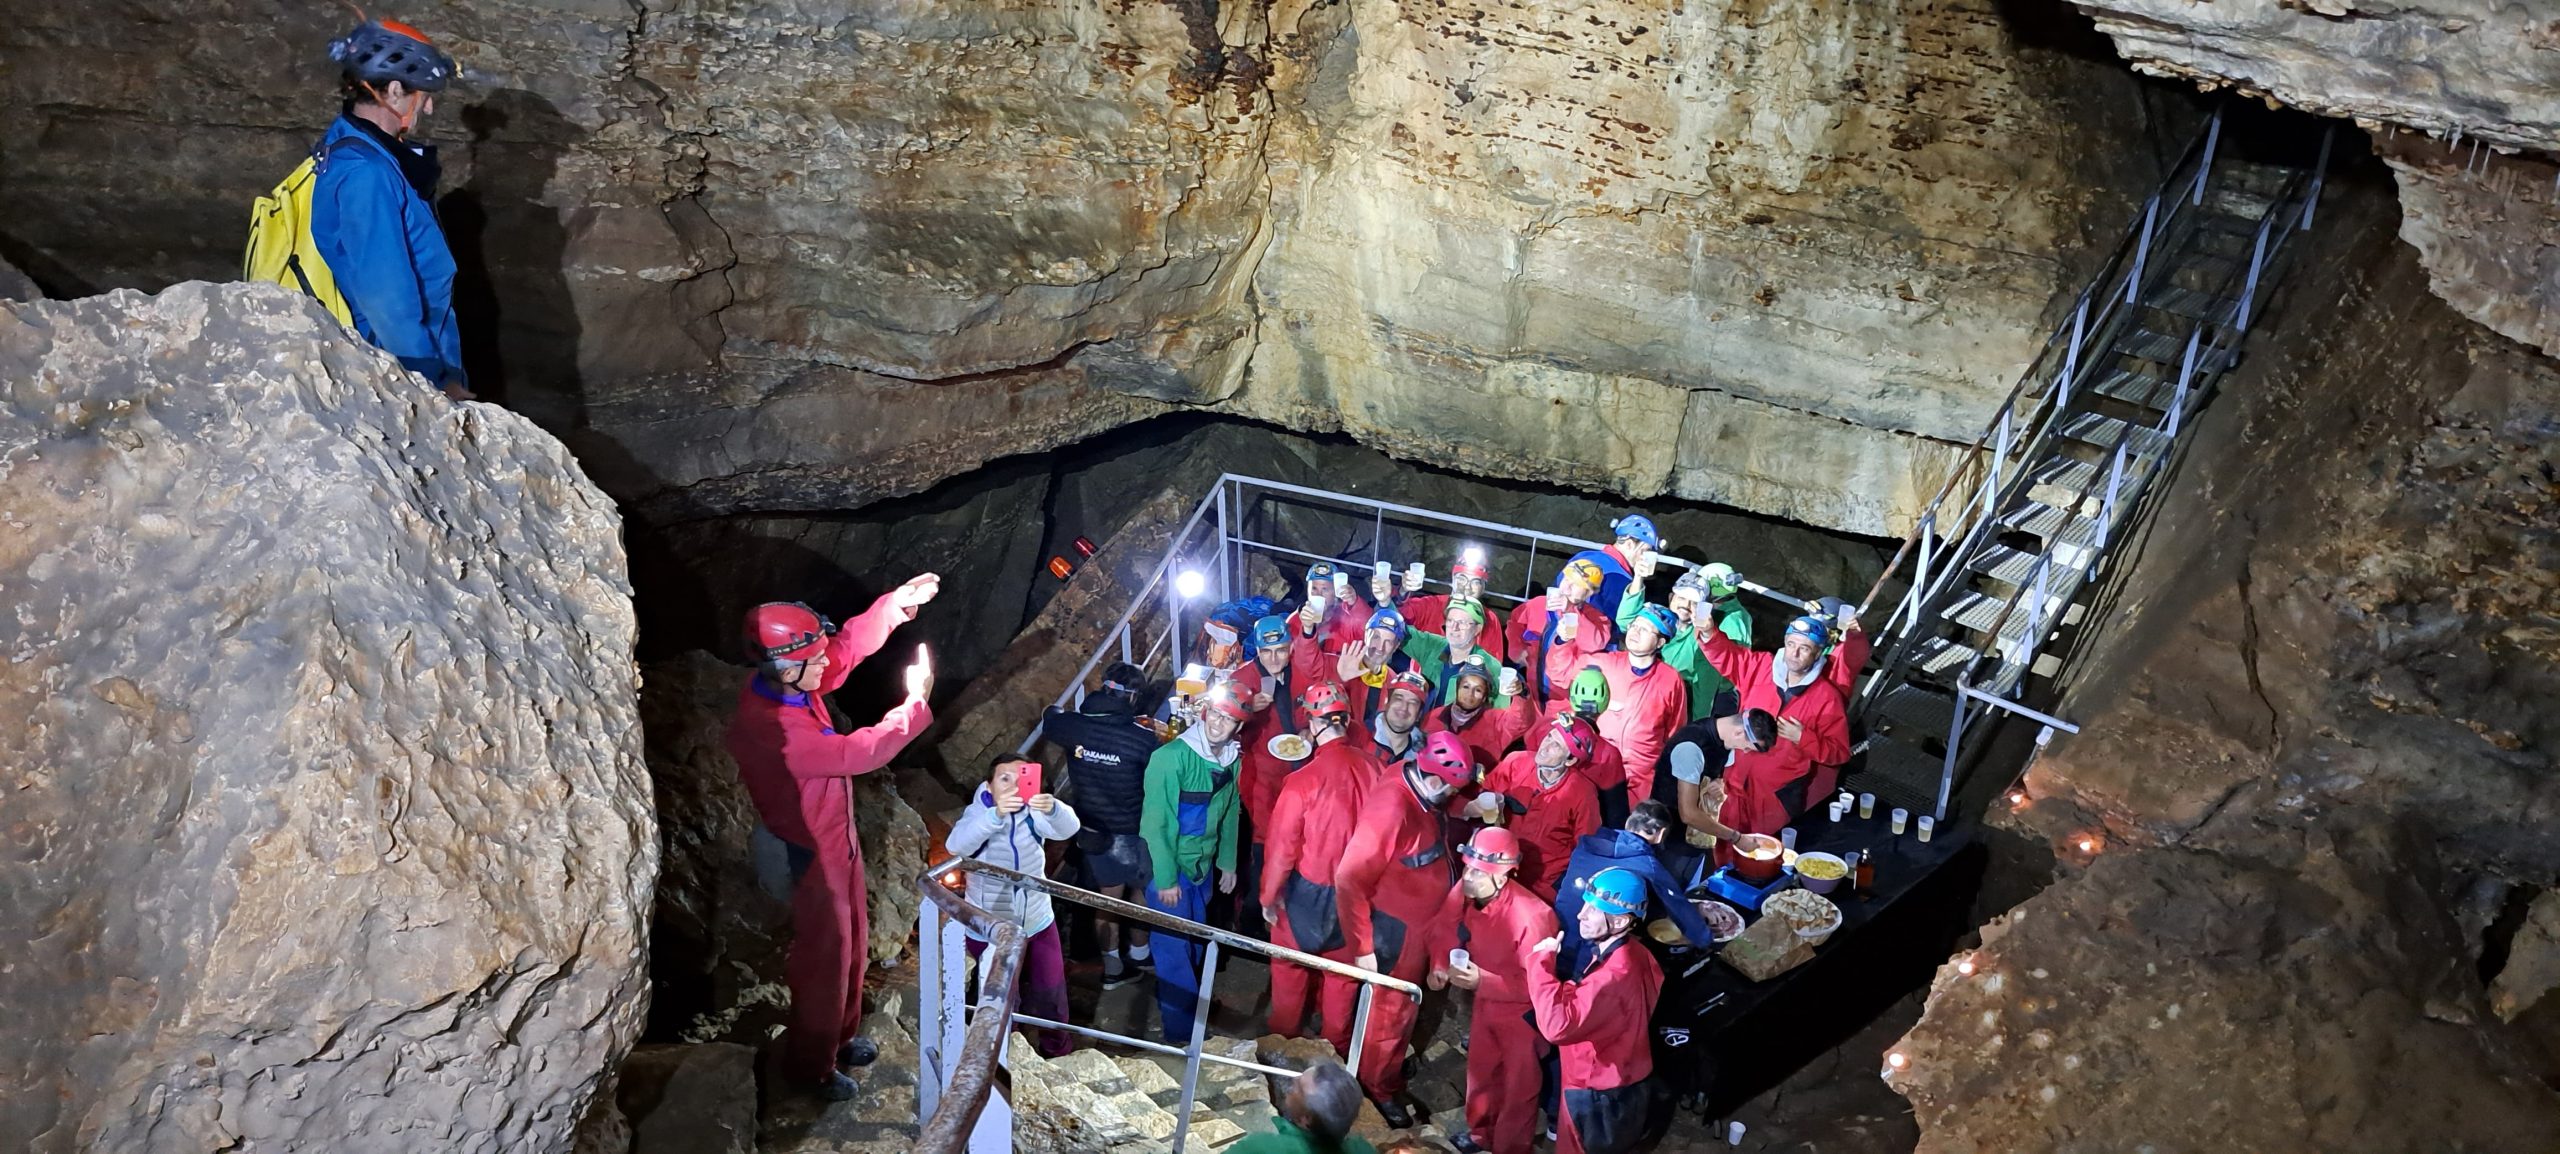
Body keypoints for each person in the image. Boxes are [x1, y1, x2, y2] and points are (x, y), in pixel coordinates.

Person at [724, 575, 940, 1100]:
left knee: (854, 942)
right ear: (783, 665)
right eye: (812, 661)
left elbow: (843, 648)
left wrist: (893, 606)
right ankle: (810, 1067)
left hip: (832, 840)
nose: (825, 667)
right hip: (806, 854)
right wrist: (913, 706)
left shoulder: (792, 682)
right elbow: (855, 753)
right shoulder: (771, 727)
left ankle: (839, 1038)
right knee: (826, 955)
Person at [313, 20, 470, 400]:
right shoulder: (366, 174)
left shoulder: (354, 142)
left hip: (409, 352)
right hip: (398, 366)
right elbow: (387, 299)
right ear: (395, 91)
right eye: (424, 95)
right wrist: (436, 385)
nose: (429, 108)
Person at [1335, 732, 1477, 1123]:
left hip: (1418, 924)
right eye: (1449, 789)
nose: (1450, 795)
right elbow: (1349, 877)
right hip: (1396, 932)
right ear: (1434, 778)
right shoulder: (1393, 806)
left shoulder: (1413, 778)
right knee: (1390, 1015)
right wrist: (1363, 947)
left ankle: (1386, 1069)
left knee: (1402, 1012)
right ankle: (1377, 1088)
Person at [1262, 681, 1382, 1052]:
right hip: (1355, 901)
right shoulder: (1377, 769)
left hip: (1304, 898)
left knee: (1289, 976)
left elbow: (1282, 849)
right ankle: (1335, 1061)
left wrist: (1268, 897)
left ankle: (1279, 1053)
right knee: (1342, 984)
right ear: (1345, 719)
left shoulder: (1301, 782)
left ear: (1313, 725)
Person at [1422, 828, 1559, 1154]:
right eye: (1467, 867)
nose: (1467, 876)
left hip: (1521, 1015)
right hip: (1486, 1003)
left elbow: (1539, 987)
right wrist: (1439, 963)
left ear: (1503, 875)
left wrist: (1484, 981)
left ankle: (1511, 1147)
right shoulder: (1471, 889)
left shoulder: (1534, 918)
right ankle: (1480, 1134)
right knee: (1481, 1072)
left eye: (1476, 872)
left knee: (1518, 1088)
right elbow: (1444, 923)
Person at [944, 754, 1081, 1057]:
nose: (1013, 785)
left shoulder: (1032, 810)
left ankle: (1057, 1052)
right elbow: (956, 846)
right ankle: (1006, 1057)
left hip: (1037, 920)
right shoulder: (978, 812)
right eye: (1004, 778)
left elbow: (1068, 829)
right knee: (1004, 998)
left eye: (1020, 777)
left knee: (1051, 992)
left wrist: (1055, 808)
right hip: (992, 927)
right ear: (988, 785)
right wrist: (994, 817)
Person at [1040, 661, 1162, 988]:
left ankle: (1115, 964)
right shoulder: (1141, 739)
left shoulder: (1073, 727)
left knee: (1108, 899)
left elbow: (1050, 719)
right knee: (1138, 892)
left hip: (1093, 831)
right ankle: (1133, 957)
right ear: (1133, 698)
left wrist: (1055, 711)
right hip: (1133, 831)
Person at [1528, 868, 1667, 1154]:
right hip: (1626, 1072)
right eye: (1585, 904)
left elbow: (1556, 1027)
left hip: (1593, 1086)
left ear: (1619, 920)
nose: (1581, 914)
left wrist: (1540, 964)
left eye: (1593, 909)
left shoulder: (1611, 978)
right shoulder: (1637, 954)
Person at [1141, 685, 1245, 1043]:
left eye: (1229, 719)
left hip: (1201, 867)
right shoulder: (1170, 758)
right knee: (1172, 950)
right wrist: (1167, 880)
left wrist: (1227, 863)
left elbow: (1231, 811)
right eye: (1216, 714)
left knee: (1197, 941)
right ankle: (1181, 1035)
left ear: (1237, 727)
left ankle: (1193, 1005)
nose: (1219, 723)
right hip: (1169, 870)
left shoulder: (1232, 759)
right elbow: (1157, 824)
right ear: (1204, 713)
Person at [1699, 610, 1853, 851]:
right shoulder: (1762, 668)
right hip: (1735, 786)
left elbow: (1839, 753)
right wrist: (1709, 632)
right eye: (1791, 644)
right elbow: (1731, 658)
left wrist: (1803, 738)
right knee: (1727, 850)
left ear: (1818, 653)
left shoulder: (1827, 697)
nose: (1795, 653)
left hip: (1778, 796)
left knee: (1766, 854)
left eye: (1805, 647)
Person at [1546, 604, 1690, 819]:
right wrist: (1562, 640)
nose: (1636, 632)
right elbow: (1561, 672)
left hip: (1641, 779)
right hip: (1594, 768)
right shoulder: (1603, 665)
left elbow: (1675, 731)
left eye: (1646, 629)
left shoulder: (1670, 680)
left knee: (1627, 833)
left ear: (1660, 642)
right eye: (1635, 625)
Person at [1232, 614, 1323, 927]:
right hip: (1260, 779)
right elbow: (1214, 720)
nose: (1274, 658)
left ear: (1290, 649)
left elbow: (1310, 709)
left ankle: (1286, 911)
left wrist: (1308, 731)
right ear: (1256, 650)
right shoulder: (1243, 679)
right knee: (1262, 846)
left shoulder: (1298, 674)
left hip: (1298, 774)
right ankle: (1252, 918)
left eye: (1281, 650)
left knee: (1296, 842)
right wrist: (1245, 707)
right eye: (1267, 652)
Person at [1554, 802, 1714, 973]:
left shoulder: (1585, 845)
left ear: (1628, 823)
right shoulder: (1648, 865)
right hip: (1589, 946)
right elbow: (1679, 907)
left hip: (1557, 932)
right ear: (1660, 835)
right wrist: (1706, 940)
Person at [1474, 716, 1602, 901]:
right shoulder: (1515, 763)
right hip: (1498, 868)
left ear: (1571, 760)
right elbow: (1481, 796)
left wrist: (1564, 887)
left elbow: (1585, 845)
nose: (1545, 745)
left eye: (1556, 745)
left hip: (1543, 883)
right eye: (1549, 736)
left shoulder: (1582, 792)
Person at [1616, 564, 1755, 721]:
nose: (1686, 605)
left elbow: (1705, 686)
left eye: (1694, 602)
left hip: (1676, 698)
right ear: (1670, 598)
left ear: (1703, 608)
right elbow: (1624, 621)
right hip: (1639, 688)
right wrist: (1638, 578)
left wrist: (1697, 727)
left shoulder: (1701, 641)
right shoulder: (1657, 618)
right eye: (1681, 597)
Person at [1661, 710, 1776, 845]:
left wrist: (1718, 782)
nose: (1745, 751)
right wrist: (1737, 838)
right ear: (1739, 732)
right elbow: (1688, 814)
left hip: (1697, 830)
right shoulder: (1691, 749)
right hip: (1669, 832)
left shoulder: (1724, 735)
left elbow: (1718, 774)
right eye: (1747, 747)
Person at [1507, 559, 1610, 703]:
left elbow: (1595, 643)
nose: (1566, 586)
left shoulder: (1596, 618)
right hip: (1531, 690)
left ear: (1589, 592)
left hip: (1564, 698)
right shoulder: (1539, 604)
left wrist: (1570, 610)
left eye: (1575, 584)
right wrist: (1516, 648)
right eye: (1566, 578)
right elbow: (1515, 623)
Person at [1538, 668, 1628, 821]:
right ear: (1605, 704)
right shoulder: (1608, 755)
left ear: (1572, 699)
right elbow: (1616, 811)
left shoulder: (1546, 731)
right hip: (1581, 826)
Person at [1231, 1061, 1377, 1154]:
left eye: (1299, 1088)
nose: (1293, 1081)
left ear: (1306, 1119)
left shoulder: (1261, 1148)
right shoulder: (1363, 1150)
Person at [1394, 548, 1508, 665]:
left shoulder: (1490, 619)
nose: (1467, 587)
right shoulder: (1433, 605)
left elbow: (1494, 664)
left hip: (1464, 680)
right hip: (1424, 679)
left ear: (1483, 588)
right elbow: (1398, 615)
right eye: (1461, 579)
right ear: (1452, 580)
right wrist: (1403, 591)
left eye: (1475, 582)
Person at [1423, 655, 1536, 772]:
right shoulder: (1434, 716)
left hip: (1474, 788)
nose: (1470, 694)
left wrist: (1521, 693)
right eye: (1465, 687)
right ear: (1457, 688)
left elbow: (1521, 721)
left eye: (1478, 690)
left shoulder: (1495, 721)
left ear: (1484, 697)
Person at [1563, 514, 1662, 642]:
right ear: (1630, 544)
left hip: (1555, 632)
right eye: (1645, 551)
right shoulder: (1621, 578)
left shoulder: (1583, 556)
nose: (1645, 557)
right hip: (1586, 643)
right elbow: (1619, 625)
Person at [1398, 597, 1502, 703]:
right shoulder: (1433, 646)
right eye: (1450, 620)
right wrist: (1385, 602)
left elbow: (1502, 714)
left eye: (1463, 622)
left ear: (1477, 629)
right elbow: (1397, 627)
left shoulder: (1491, 667)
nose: (1454, 627)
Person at [1335, 606, 1421, 721]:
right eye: (1376, 637)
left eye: (1389, 642)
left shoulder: (1394, 682)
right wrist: (1340, 680)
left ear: (1395, 647)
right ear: (1366, 635)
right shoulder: (1339, 664)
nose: (1380, 648)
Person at [1298, 562, 1375, 653]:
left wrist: (1355, 603)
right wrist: (1307, 629)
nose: (1318, 595)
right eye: (1314, 588)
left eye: (1324, 589)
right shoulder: (1296, 620)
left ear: (1336, 592)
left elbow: (1370, 629)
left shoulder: (1347, 619)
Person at [1367, 670, 1432, 770]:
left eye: (1413, 703)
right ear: (1386, 702)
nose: (1404, 707)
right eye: (1399, 698)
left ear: (1419, 714)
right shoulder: (1362, 735)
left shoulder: (1423, 756)